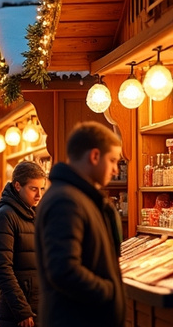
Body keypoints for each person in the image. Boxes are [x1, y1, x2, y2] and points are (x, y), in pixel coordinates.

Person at [35, 121, 125, 327]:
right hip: (77, 319)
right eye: (112, 160)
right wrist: (109, 290)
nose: (114, 170)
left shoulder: (78, 197)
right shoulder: (66, 201)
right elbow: (63, 269)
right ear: (94, 156)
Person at [0, 161, 47, 327]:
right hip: (19, 313)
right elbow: (2, 267)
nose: (39, 195)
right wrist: (21, 310)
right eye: (33, 188)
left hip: (39, 306)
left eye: (41, 189)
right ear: (17, 186)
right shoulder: (5, 216)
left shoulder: (33, 214)